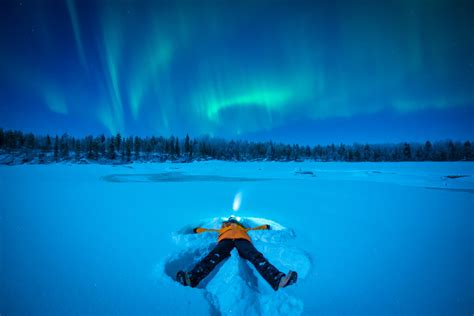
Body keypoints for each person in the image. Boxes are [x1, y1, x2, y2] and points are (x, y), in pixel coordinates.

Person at [176, 217, 297, 291]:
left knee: (256, 256)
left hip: (242, 240)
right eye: (230, 221)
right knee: (213, 256)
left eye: (233, 221)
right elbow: (209, 230)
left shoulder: (242, 229)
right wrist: (198, 230)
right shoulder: (223, 229)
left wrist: (265, 226)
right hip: (225, 241)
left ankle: (278, 279)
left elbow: (254, 229)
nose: (232, 223)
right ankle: (192, 278)